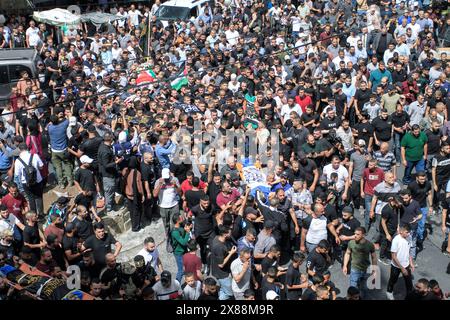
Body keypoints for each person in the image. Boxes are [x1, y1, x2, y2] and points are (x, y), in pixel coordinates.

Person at [342, 227, 377, 299]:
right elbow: (347, 253)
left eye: (358, 234)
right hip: (354, 269)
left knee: (364, 288)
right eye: (355, 233)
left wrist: (374, 270)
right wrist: (345, 266)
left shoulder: (370, 245)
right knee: (353, 289)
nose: (355, 235)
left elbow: (374, 257)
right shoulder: (351, 242)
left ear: (363, 235)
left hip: (365, 269)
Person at [14, 143, 44, 218]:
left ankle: (33, 216)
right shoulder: (35, 155)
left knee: (31, 199)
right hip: (37, 180)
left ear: (20, 150)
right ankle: (41, 215)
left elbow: (17, 174)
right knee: (39, 197)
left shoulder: (18, 160)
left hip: (26, 183)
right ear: (27, 148)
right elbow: (41, 166)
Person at [386, 224, 414, 300]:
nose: (408, 234)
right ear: (401, 231)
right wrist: (402, 268)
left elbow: (409, 251)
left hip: (406, 265)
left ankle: (409, 297)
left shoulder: (409, 237)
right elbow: (393, 256)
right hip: (396, 266)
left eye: (409, 232)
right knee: (393, 280)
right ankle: (389, 292)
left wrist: (411, 263)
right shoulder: (396, 240)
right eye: (407, 232)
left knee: (409, 284)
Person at [210, 225, 236, 300]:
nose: (231, 234)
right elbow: (221, 264)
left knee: (222, 289)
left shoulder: (216, 238)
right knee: (229, 293)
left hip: (217, 272)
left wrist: (227, 252)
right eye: (229, 233)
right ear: (225, 234)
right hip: (222, 274)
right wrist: (231, 253)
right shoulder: (219, 247)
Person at [153, 168, 181, 235]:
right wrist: (160, 184)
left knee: (175, 223)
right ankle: (168, 237)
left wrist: (176, 186)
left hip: (174, 205)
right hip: (163, 207)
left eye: (167, 177)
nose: (166, 179)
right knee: (166, 224)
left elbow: (180, 193)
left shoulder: (175, 179)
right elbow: (154, 195)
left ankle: (175, 237)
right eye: (164, 177)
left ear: (169, 174)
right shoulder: (158, 181)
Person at [170, 213, 191, 283]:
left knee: (188, 266)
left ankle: (188, 280)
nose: (183, 218)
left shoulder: (181, 226)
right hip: (179, 253)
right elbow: (183, 242)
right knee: (181, 270)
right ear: (178, 221)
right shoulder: (175, 232)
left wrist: (186, 230)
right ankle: (176, 285)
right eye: (181, 218)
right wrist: (188, 232)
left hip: (184, 251)